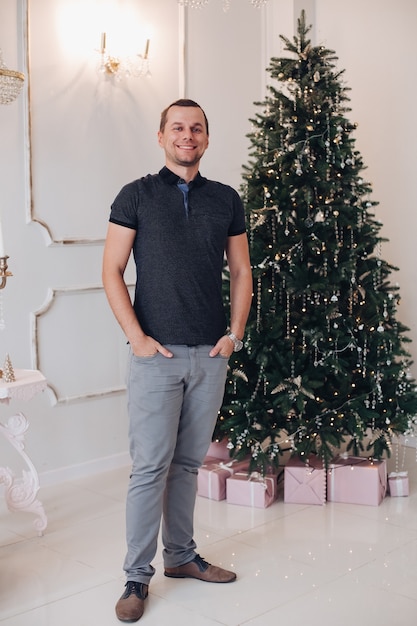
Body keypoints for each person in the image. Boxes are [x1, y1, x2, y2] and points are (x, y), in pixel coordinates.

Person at [102, 98, 252, 623]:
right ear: (162, 135)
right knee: (149, 469)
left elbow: (240, 272)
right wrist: (138, 338)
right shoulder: (136, 195)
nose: (187, 136)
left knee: (188, 464)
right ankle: (135, 578)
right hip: (156, 357)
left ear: (207, 139)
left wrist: (233, 334)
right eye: (178, 128)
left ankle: (182, 558)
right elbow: (112, 270)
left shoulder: (226, 199)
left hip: (210, 354)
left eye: (197, 129)